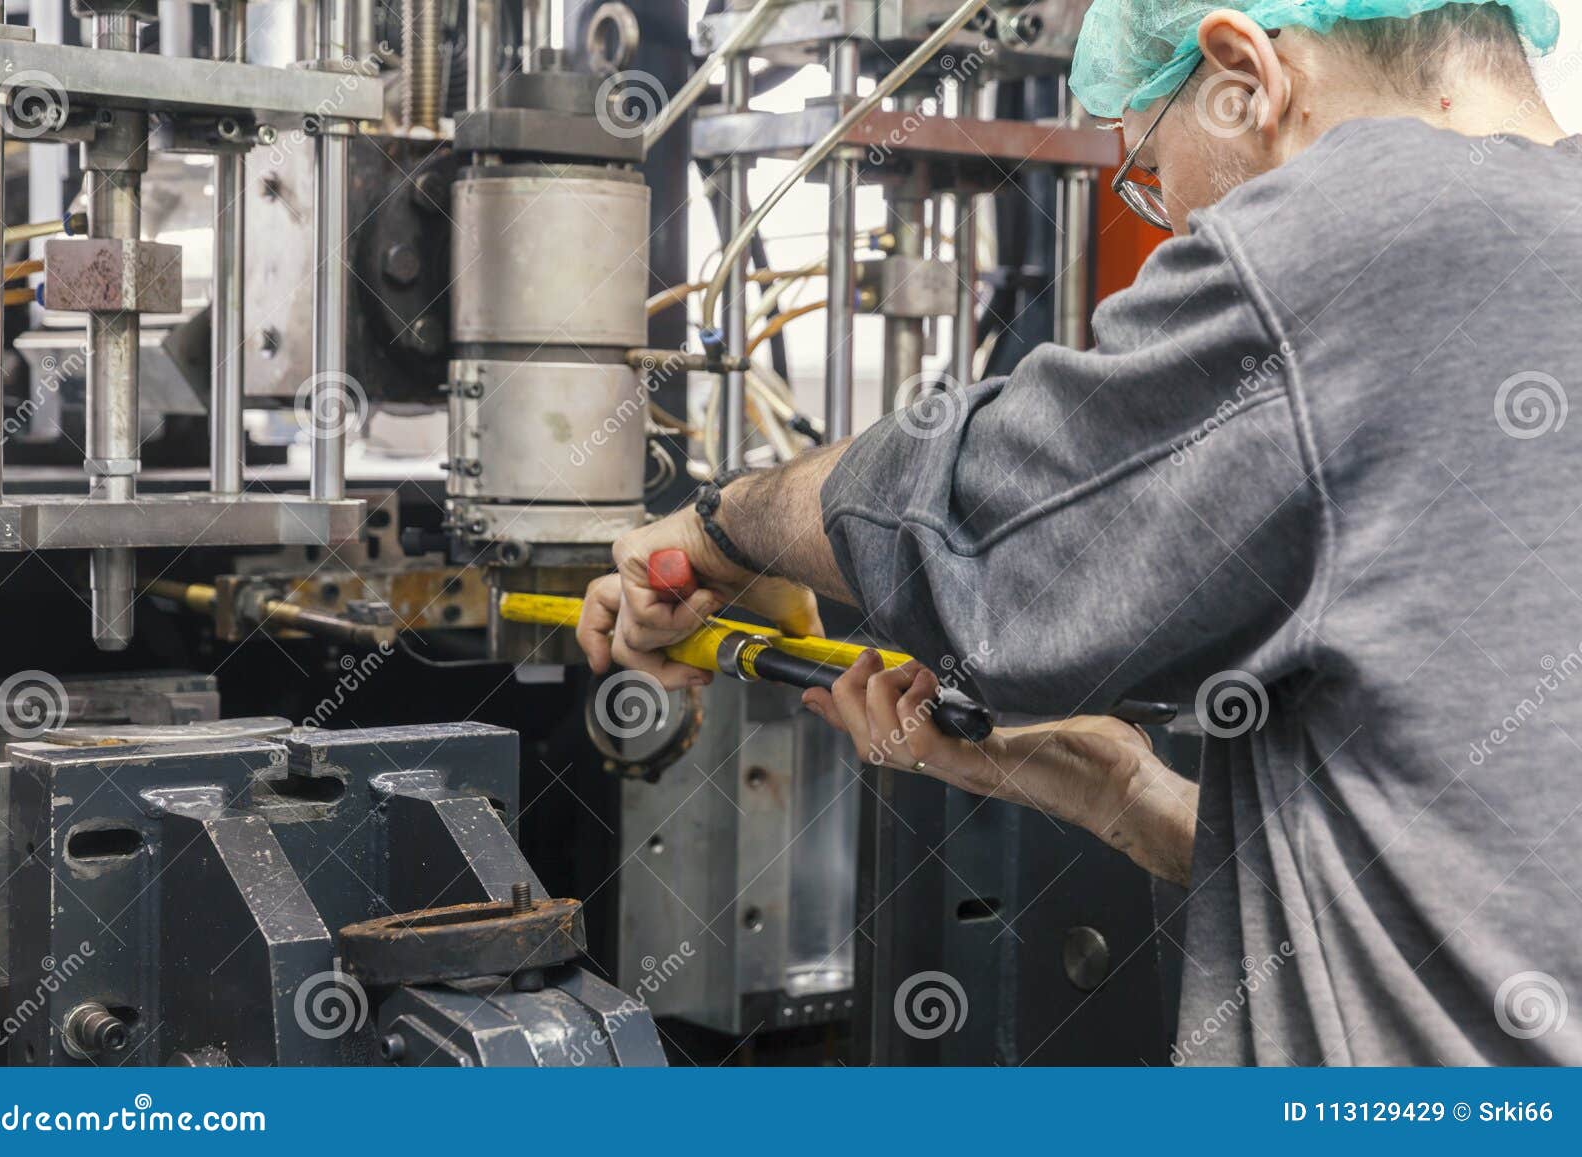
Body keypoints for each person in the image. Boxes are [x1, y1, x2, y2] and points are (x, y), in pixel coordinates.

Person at [579, 0, 1582, 1065]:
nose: (1169, 230)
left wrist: (725, 529)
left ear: (1246, 73)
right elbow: (1486, 868)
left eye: (1146, 168)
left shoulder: (1366, 232)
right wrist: (1127, 794)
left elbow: (991, 535)